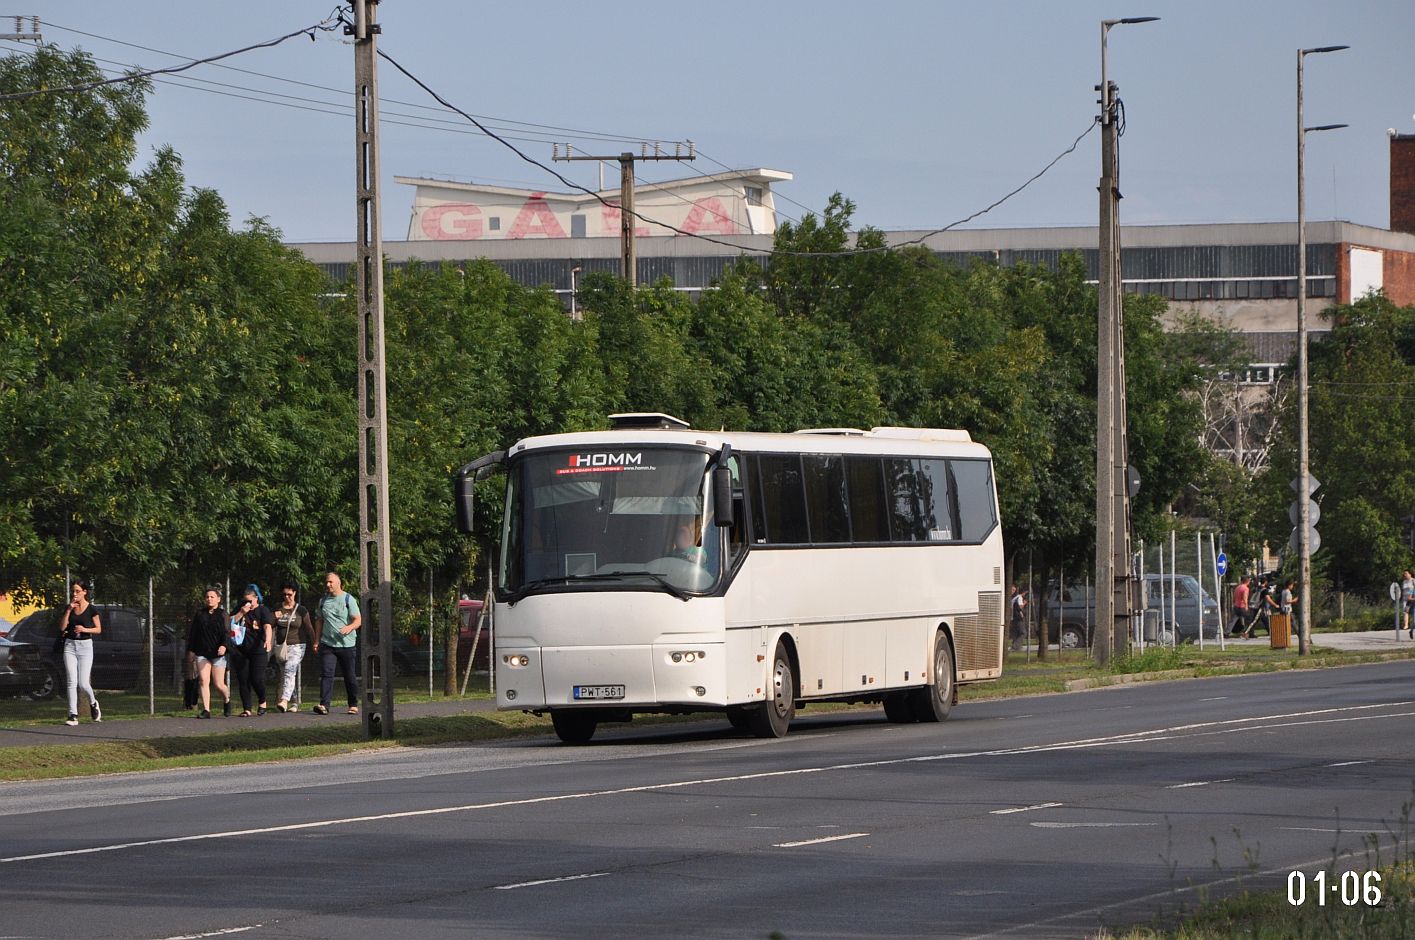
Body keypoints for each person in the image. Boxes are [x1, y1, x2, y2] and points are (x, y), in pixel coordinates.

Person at [314, 571, 361, 716]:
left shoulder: (348, 599)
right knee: (327, 674)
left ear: (338, 583)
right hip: (328, 644)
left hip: (347, 645)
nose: (327, 585)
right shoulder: (323, 601)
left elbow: (358, 620)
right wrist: (316, 640)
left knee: (349, 675)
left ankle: (353, 704)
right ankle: (324, 705)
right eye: (326, 582)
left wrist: (349, 627)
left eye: (330, 582)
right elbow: (319, 621)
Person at [57, 581, 102, 727]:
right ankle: (72, 714)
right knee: (71, 681)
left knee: (83, 683)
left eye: (77, 591)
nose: (74, 594)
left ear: (84, 592)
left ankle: (93, 703)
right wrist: (69, 610)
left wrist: (84, 629)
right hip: (70, 645)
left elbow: (98, 629)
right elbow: (62, 627)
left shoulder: (91, 609)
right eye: (73, 591)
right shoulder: (69, 607)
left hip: (85, 646)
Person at [227, 584, 273, 717]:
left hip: (258, 649)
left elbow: (267, 627)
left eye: (250, 601)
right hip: (241, 649)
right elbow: (229, 622)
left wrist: (268, 640)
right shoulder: (240, 609)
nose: (247, 603)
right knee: (243, 679)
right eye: (245, 600)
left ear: (256, 598)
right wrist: (241, 612)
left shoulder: (262, 610)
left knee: (256, 678)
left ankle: (262, 701)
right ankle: (247, 708)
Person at [186, 586, 231, 719]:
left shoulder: (223, 614)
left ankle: (227, 700)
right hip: (202, 652)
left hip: (218, 653)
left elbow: (227, 633)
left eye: (212, 597)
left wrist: (224, 646)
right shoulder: (200, 614)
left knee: (218, 684)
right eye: (207, 597)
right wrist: (191, 651)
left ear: (218, 599)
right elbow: (194, 633)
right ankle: (206, 709)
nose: (209, 599)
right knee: (203, 681)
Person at [273, 581, 315, 713]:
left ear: (295, 593)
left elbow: (309, 628)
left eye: (289, 594)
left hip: (297, 645)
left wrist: (315, 642)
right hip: (281, 646)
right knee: (286, 674)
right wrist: (274, 618)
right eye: (284, 594)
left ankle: (284, 700)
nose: (287, 597)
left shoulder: (301, 610)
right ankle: (294, 702)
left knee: (290, 671)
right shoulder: (278, 608)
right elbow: (270, 625)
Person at [1009, 586, 1027, 652]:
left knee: (1017, 632)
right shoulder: (1019, 598)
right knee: (1023, 633)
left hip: (1013, 617)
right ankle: (1016, 646)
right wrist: (1024, 603)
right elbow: (1020, 607)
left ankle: (1015, 646)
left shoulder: (1014, 598)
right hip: (1018, 617)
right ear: (1023, 592)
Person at [1402, 570, 1415, 639]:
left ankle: (1412, 628)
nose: (1405, 575)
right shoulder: (1404, 582)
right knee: (1405, 611)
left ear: (1410, 574)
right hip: (1406, 599)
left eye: (1406, 573)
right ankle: (1406, 625)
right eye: (1404, 574)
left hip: (1413, 598)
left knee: (1413, 613)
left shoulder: (1413, 580)